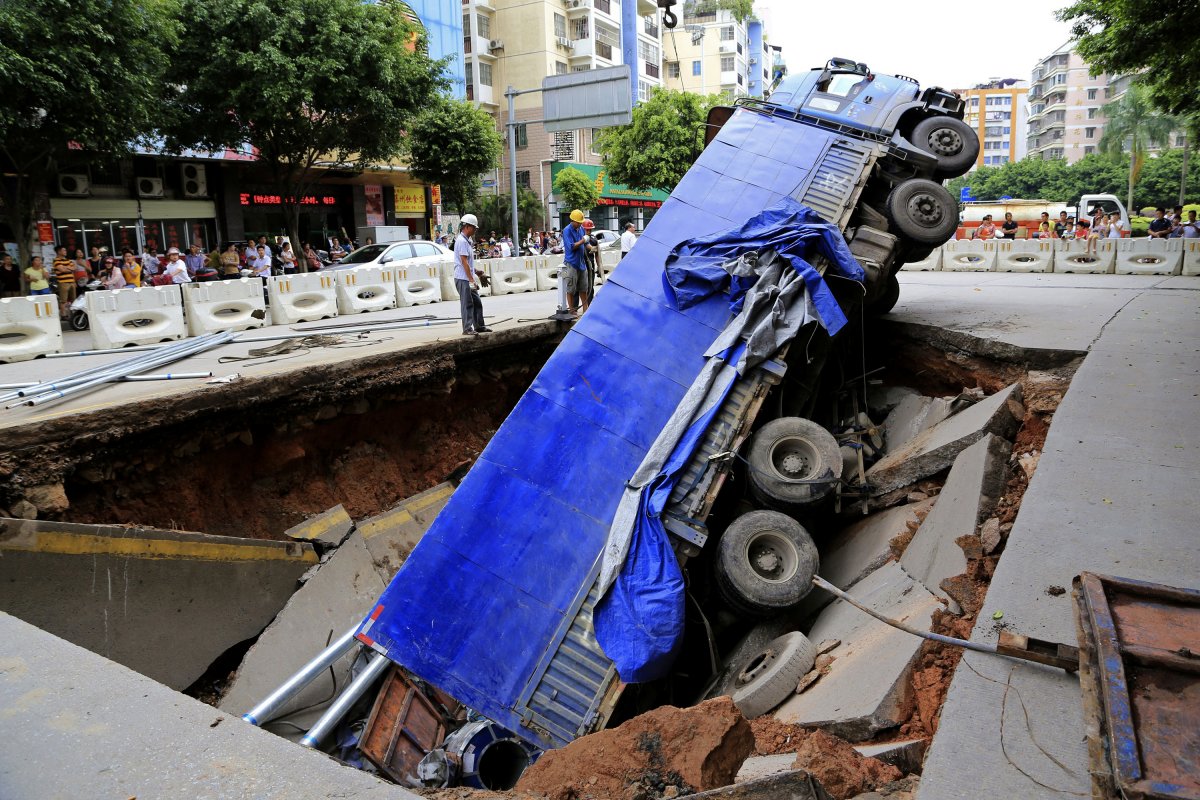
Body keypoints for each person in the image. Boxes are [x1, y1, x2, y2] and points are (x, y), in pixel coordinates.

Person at [453, 213, 489, 335]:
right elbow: (463, 262)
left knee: (477, 302)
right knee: (467, 303)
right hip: (463, 278)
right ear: (467, 227)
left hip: (468, 277)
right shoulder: (461, 241)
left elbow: (468, 263)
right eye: (473, 227)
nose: (474, 230)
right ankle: (467, 328)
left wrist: (477, 272)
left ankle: (479, 326)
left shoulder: (468, 240)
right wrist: (471, 280)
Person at [562, 209, 589, 314]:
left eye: (581, 222)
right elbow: (571, 247)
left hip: (581, 263)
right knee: (571, 288)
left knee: (583, 287)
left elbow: (585, 244)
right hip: (571, 263)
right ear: (573, 220)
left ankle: (585, 309)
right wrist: (583, 240)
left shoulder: (581, 229)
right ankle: (572, 310)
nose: (580, 224)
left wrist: (591, 247)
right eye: (578, 222)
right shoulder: (567, 231)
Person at [51, 246, 76, 317]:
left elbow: (74, 268)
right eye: (64, 250)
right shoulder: (56, 261)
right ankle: (63, 315)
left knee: (73, 299)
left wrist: (66, 267)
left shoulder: (68, 260)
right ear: (59, 252)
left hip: (72, 282)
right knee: (63, 300)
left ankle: (73, 314)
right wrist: (68, 268)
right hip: (63, 283)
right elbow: (62, 270)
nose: (65, 251)